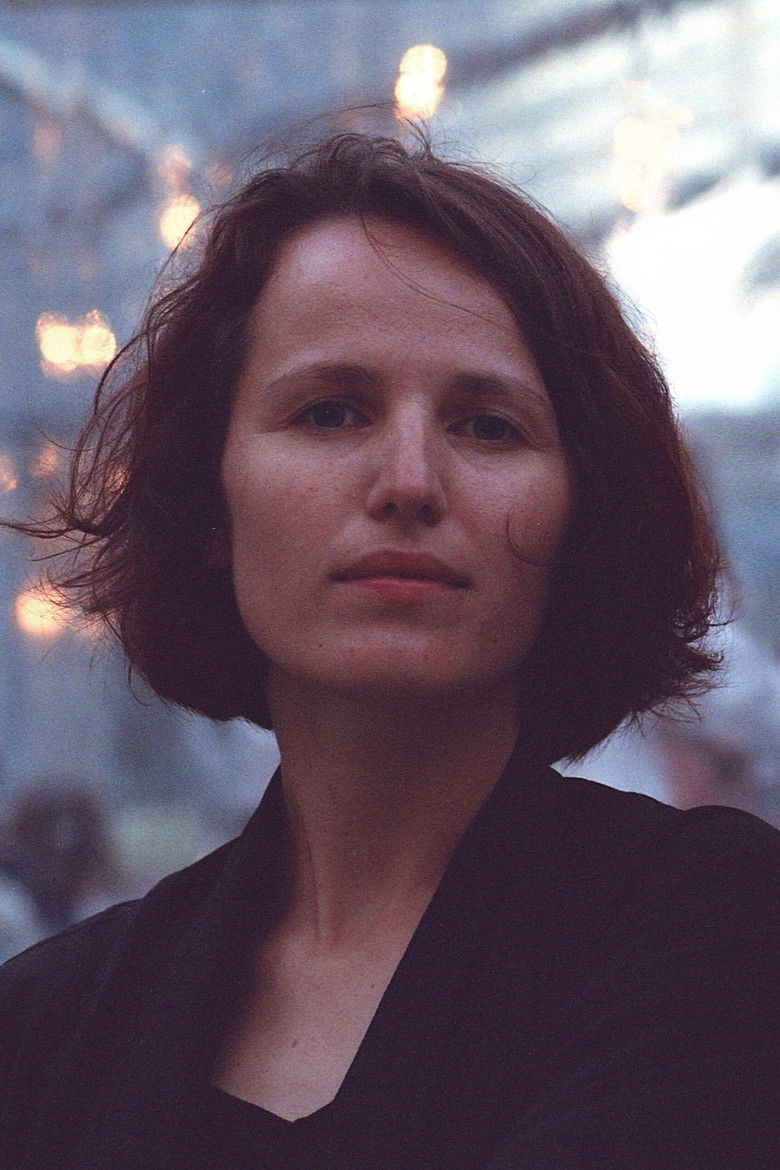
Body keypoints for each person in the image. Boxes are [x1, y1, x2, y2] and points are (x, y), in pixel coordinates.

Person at [0, 128, 777, 1169]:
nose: (409, 480)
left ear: (582, 517)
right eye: (330, 412)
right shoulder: (46, 1033)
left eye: (488, 426)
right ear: (211, 502)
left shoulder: (722, 933)